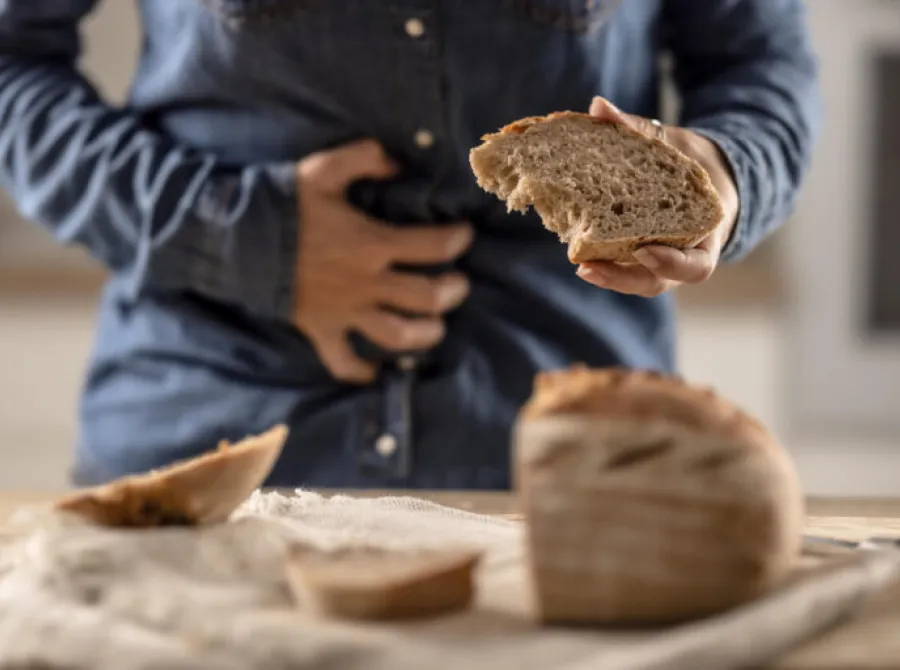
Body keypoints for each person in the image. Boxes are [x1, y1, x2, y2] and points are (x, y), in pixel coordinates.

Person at [0, 1, 820, 489]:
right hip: (205, 451)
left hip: (572, 476)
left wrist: (724, 175)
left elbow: (760, 62)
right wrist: (240, 236)